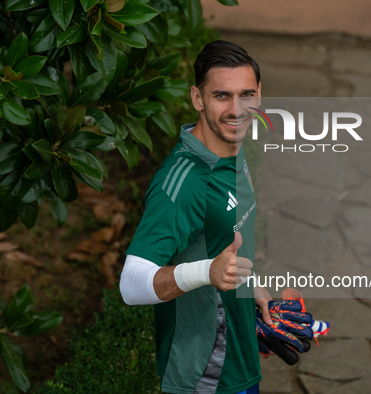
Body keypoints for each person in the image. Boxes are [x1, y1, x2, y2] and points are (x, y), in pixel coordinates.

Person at [120, 40, 272, 394]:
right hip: (207, 376)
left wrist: (252, 288)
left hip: (240, 360)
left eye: (246, 94)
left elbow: (224, 237)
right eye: (221, 96)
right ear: (197, 98)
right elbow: (130, 283)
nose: (237, 110)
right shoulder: (185, 182)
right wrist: (207, 271)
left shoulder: (232, 146)